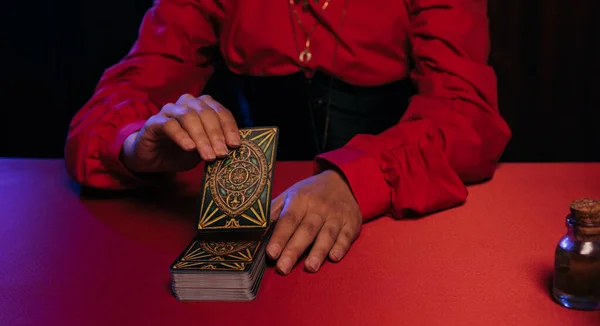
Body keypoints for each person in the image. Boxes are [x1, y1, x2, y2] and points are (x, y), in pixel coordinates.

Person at [65, 0, 511, 275]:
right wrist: (135, 145)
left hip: (394, 228)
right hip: (251, 228)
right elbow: (120, 99)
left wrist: (355, 179)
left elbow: (466, 114)